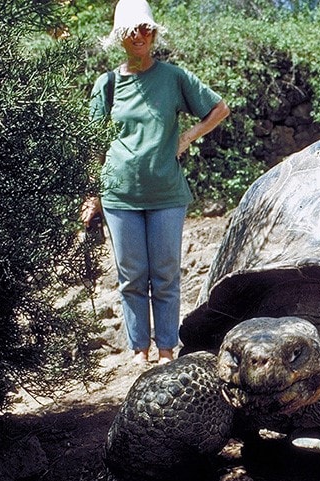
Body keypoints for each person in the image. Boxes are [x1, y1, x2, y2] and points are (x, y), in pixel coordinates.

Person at [83, 0, 229, 365]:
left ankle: (166, 349)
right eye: (132, 30)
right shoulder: (108, 84)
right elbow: (91, 143)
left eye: (146, 28)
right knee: (131, 277)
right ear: (120, 36)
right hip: (118, 194)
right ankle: (138, 349)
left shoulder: (174, 78)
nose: (140, 36)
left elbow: (219, 108)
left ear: (154, 33)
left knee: (165, 274)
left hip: (166, 193)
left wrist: (187, 137)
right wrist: (91, 196)